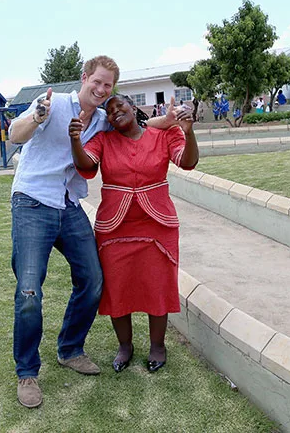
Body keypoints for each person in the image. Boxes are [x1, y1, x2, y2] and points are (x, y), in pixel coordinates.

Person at [8, 55, 179, 408]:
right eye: (97, 82)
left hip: (69, 205)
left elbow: (142, 123)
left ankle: (70, 349)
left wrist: (173, 119)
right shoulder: (52, 104)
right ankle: (27, 372)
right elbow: (14, 134)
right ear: (84, 78)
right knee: (29, 292)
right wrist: (37, 115)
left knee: (94, 279)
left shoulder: (103, 118)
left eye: (108, 86)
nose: (101, 90)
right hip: (33, 202)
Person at [69, 94, 198, 374]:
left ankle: (157, 346)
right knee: (118, 287)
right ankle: (124, 346)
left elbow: (187, 162)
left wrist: (189, 134)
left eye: (121, 106)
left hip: (157, 222)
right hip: (115, 225)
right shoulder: (103, 140)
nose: (115, 112)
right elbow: (87, 165)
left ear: (134, 107)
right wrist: (75, 140)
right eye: (110, 111)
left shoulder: (164, 134)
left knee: (158, 284)